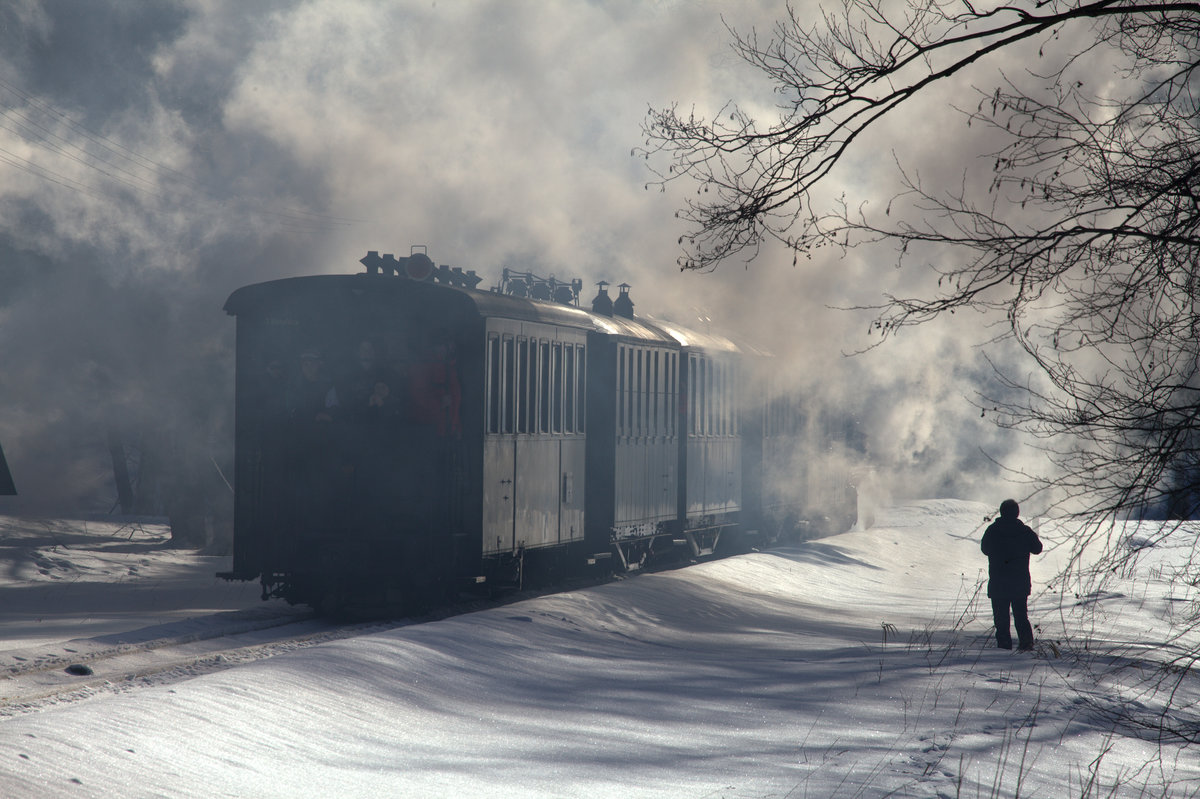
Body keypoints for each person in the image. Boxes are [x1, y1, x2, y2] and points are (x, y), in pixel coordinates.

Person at [981, 499, 1043, 651]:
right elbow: (1037, 548)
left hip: (998, 583)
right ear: (1017, 513)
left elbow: (985, 549)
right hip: (1019, 583)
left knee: (1001, 620)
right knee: (1021, 617)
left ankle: (1003, 648)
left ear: (1001, 512)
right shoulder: (1024, 531)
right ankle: (1026, 646)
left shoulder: (993, 530)